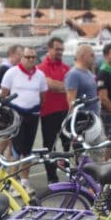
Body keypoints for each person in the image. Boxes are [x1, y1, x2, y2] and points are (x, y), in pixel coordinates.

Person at [0, 47, 48, 191]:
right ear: (22, 58)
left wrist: (34, 107)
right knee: (15, 150)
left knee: (27, 150)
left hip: (32, 115)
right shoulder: (11, 73)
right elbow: (4, 94)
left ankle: (25, 181)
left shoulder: (40, 75)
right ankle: (13, 182)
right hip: (16, 115)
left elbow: (43, 96)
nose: (31, 60)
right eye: (28, 57)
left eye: (34, 57)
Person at [37, 37, 70, 183]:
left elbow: (64, 87)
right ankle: (52, 178)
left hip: (66, 111)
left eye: (61, 49)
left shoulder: (66, 68)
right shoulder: (41, 68)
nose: (60, 52)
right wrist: (64, 86)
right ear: (49, 49)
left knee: (68, 144)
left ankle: (70, 172)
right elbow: (53, 85)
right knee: (49, 146)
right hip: (49, 113)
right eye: (57, 49)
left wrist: (61, 86)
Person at [65, 44, 99, 113]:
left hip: (93, 118)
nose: (94, 57)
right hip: (83, 120)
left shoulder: (89, 73)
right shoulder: (73, 74)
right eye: (91, 55)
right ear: (83, 56)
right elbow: (71, 102)